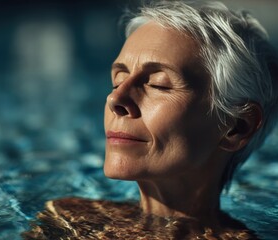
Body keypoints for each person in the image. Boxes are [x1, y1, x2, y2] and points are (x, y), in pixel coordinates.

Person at [23, 1, 278, 239]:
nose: (115, 99)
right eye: (118, 81)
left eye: (159, 85)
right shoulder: (70, 217)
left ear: (235, 126)